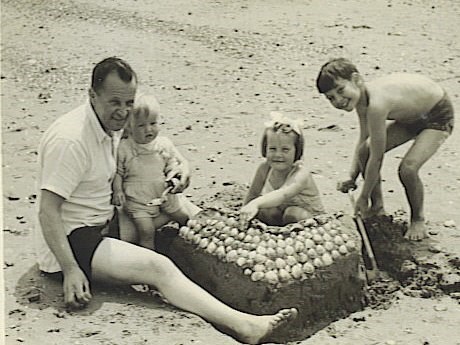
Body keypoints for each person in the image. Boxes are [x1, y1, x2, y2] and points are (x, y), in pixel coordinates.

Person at [35, 56, 297, 344]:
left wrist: (180, 168)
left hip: (106, 219)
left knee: (182, 206)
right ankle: (246, 327)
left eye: (129, 103)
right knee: (158, 268)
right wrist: (71, 269)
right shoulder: (71, 140)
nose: (123, 112)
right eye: (115, 103)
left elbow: (150, 148)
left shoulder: (109, 122)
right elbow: (48, 211)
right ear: (92, 95)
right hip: (73, 241)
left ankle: (250, 256)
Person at [316, 57, 454, 240]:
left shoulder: (376, 104)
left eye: (341, 90)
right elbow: (364, 141)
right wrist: (352, 176)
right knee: (364, 151)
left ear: (356, 80)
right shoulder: (361, 100)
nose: (339, 100)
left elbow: (377, 157)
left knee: (408, 169)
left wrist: (363, 195)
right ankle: (378, 207)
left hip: (438, 115)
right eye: (331, 98)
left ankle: (417, 219)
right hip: (411, 118)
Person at [112, 93, 191, 250]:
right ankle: (151, 255)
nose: (148, 129)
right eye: (141, 125)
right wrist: (118, 190)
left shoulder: (163, 144)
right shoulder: (125, 148)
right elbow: (118, 173)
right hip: (138, 199)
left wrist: (174, 176)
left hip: (163, 193)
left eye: (153, 123)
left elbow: (173, 164)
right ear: (129, 127)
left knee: (184, 217)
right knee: (146, 231)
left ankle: (189, 246)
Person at [240, 112, 325, 227]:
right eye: (272, 149)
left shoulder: (301, 173)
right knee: (265, 210)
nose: (278, 155)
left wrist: (255, 203)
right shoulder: (264, 168)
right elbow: (253, 194)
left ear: (297, 151)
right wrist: (245, 210)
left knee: (292, 213)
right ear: (265, 149)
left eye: (285, 150)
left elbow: (283, 194)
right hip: (281, 215)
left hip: (308, 219)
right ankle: (277, 234)